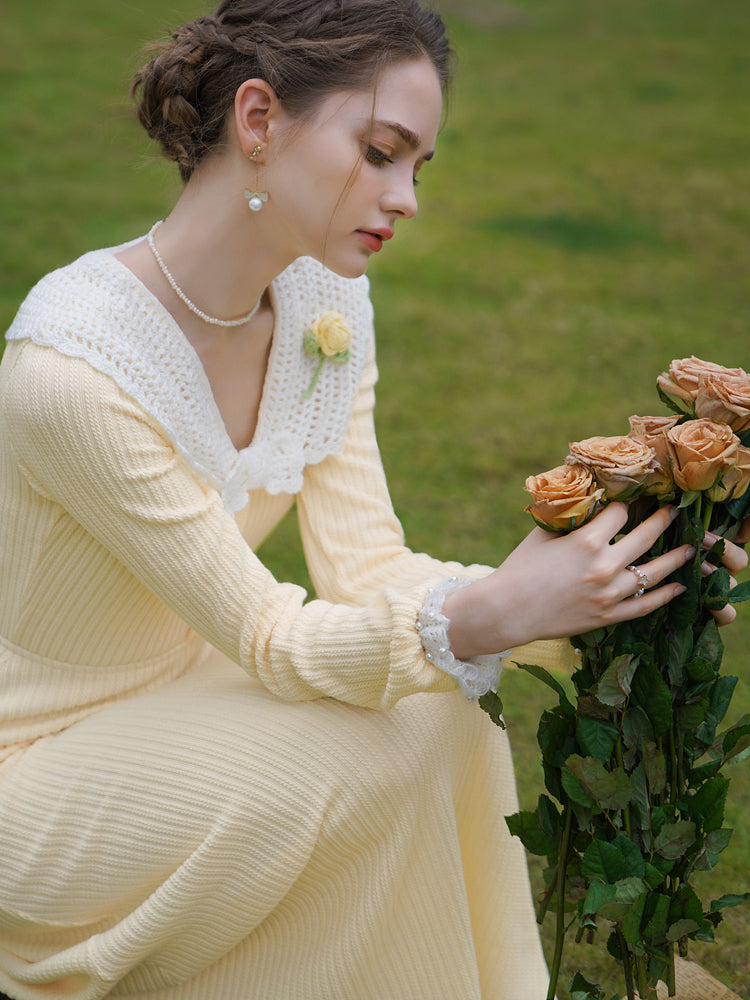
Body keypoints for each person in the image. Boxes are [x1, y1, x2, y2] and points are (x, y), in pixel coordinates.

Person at [0, 1, 747, 998]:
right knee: (357, 749)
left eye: (419, 167)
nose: (407, 197)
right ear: (259, 121)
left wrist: (612, 594)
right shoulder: (71, 371)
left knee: (441, 713)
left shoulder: (326, 300)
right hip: (38, 773)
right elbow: (272, 633)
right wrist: (491, 614)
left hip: (188, 696)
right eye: (382, 152)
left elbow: (369, 570)